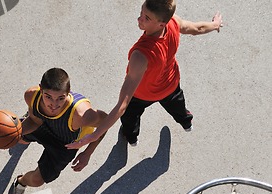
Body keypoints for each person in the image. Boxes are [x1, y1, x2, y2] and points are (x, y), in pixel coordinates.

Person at [66, 0, 223, 150]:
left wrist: (95, 135)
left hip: (142, 95)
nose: (139, 19)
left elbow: (122, 105)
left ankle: (131, 138)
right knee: (179, 108)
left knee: (129, 119)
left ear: (161, 23)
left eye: (146, 18)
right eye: (141, 12)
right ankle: (187, 123)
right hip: (171, 85)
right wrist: (215, 25)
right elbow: (196, 28)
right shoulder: (173, 21)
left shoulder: (141, 55)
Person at [6, 67, 107, 194]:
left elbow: (105, 122)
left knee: (37, 181)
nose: (54, 104)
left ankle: (21, 181)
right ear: (40, 89)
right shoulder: (31, 95)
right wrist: (15, 133)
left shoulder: (81, 115)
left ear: (68, 92)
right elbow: (35, 122)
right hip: (42, 124)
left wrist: (88, 152)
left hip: (65, 144)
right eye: (48, 97)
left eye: (60, 98)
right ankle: (28, 118)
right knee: (19, 140)